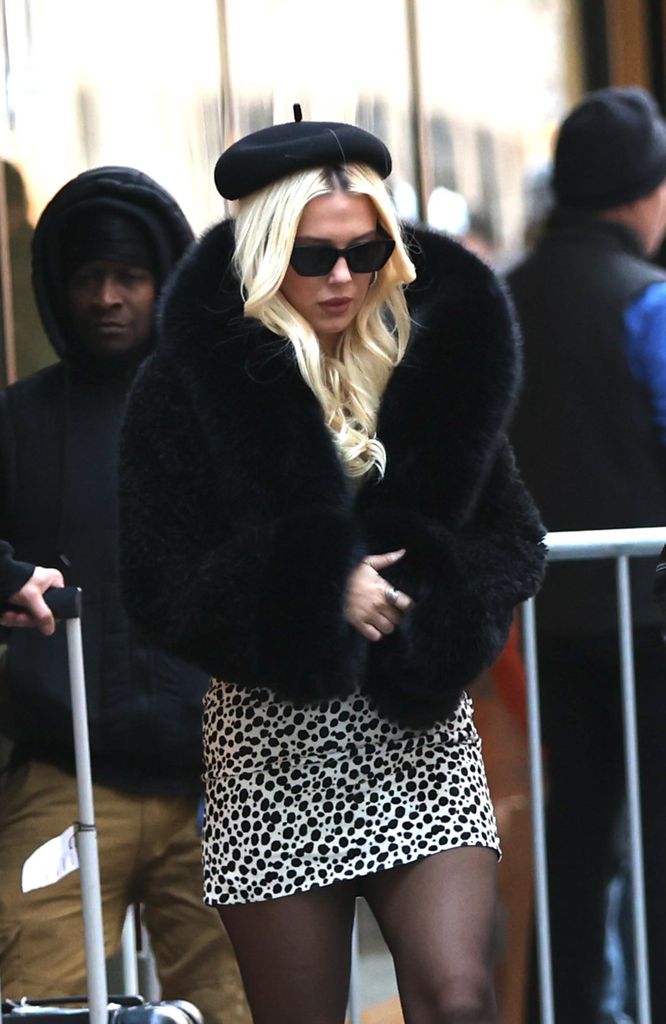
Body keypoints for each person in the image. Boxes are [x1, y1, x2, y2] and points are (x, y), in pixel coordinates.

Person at [118, 114, 546, 1024]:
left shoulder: (426, 358)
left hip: (417, 746)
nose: (343, 277)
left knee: (460, 996)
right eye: (315, 258)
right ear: (270, 254)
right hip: (273, 752)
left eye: (364, 251)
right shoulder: (189, 385)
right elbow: (162, 583)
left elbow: (512, 538)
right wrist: (316, 588)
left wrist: (432, 591)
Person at [0, 166, 250, 1024]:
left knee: (240, 1006)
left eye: (129, 276)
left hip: (218, 782)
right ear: (56, 288)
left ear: (166, 282)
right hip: (59, 780)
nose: (105, 296)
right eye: (85, 277)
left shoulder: (225, 417)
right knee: (42, 1010)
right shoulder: (19, 420)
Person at [507, 86, 666, 1023]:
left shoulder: (506, 298)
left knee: (575, 827)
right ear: (645, 193)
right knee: (654, 837)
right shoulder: (646, 302)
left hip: (550, 617)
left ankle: (563, 1009)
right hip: (647, 619)